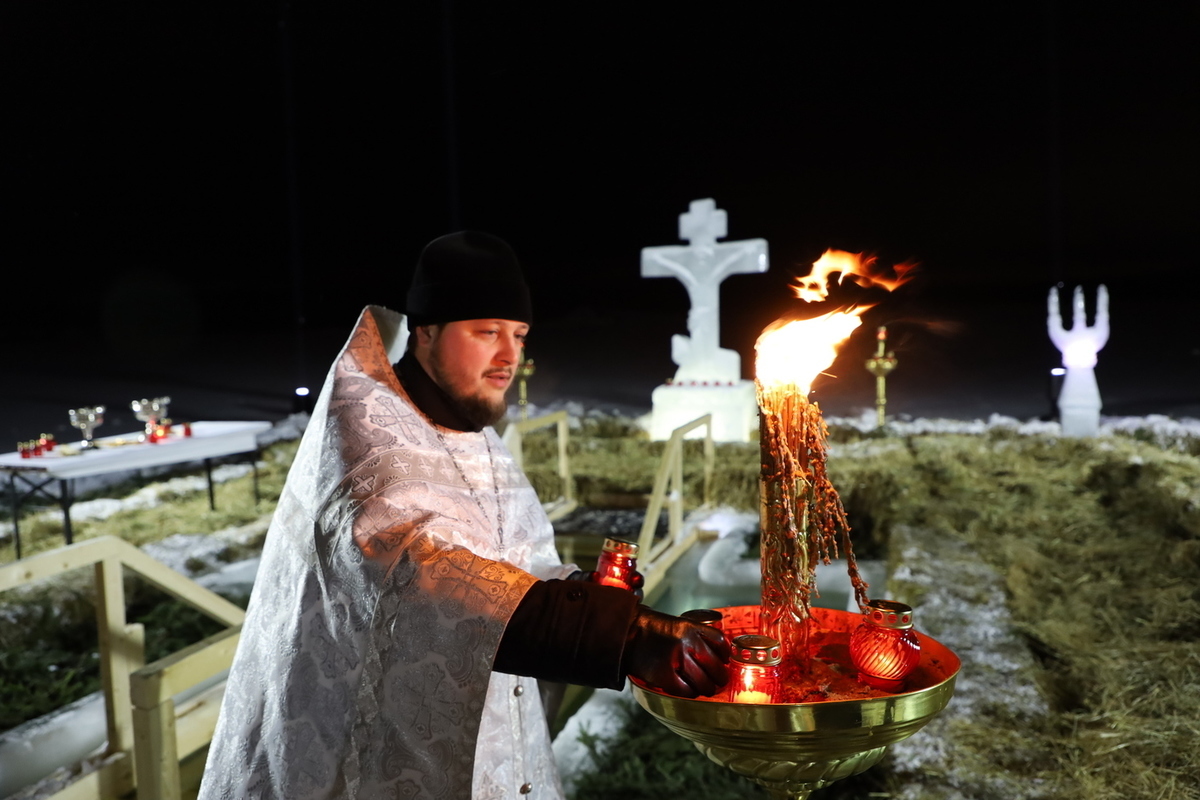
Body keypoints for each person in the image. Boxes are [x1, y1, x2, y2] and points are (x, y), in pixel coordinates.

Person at [198, 231, 729, 800]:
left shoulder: (475, 434)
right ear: (426, 330)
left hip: (494, 747)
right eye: (486, 332)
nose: (509, 356)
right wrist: (620, 634)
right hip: (363, 762)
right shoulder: (366, 429)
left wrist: (597, 600)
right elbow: (420, 575)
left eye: (519, 334)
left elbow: (519, 567)